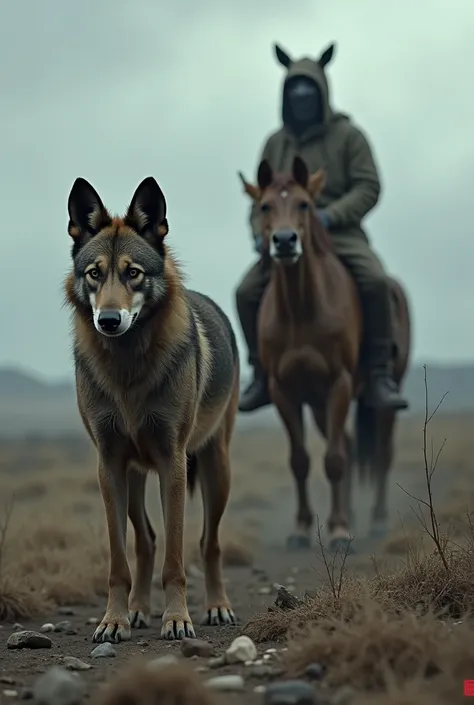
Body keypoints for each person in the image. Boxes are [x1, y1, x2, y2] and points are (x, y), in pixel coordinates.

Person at [235, 41, 409, 414]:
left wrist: (330, 216)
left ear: (321, 94)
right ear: (286, 97)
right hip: (283, 233)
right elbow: (260, 198)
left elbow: (368, 186)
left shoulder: (349, 137)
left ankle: (378, 372)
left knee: (376, 281)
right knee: (246, 291)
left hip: (339, 234)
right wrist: (257, 232)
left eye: (308, 92)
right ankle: (262, 374)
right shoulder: (274, 143)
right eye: (294, 93)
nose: (301, 99)